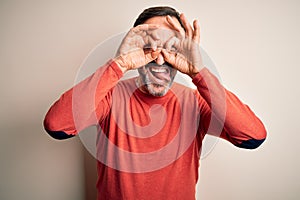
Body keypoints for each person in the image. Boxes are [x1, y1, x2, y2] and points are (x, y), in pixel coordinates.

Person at [44, 6, 267, 200]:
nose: (159, 60)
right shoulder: (110, 96)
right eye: (149, 47)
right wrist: (119, 64)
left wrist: (198, 72)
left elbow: (252, 137)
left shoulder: (194, 101)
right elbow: (57, 126)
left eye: (171, 48)